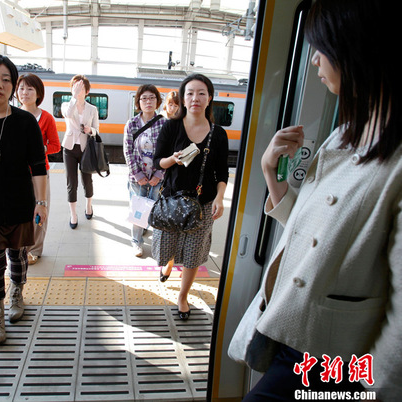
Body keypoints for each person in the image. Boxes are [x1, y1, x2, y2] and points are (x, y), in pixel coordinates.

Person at [231, 1, 401, 400]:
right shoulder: (345, 134)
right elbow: (315, 231)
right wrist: (270, 172)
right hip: (290, 332)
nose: (314, 62)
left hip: (337, 363)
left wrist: (370, 392)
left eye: (321, 48)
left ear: (356, 49)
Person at [0, 55, 47, 345]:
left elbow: (38, 165)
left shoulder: (25, 121)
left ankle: (17, 293)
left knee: (17, 256)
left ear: (13, 86)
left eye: (5, 79)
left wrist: (41, 204)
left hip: (19, 204)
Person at [152, 73, 228, 320]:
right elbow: (158, 162)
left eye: (201, 93)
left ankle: (183, 296)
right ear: (183, 99)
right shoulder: (171, 126)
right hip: (172, 200)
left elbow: (222, 171)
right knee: (167, 246)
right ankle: (170, 262)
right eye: (190, 93)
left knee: (194, 253)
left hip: (202, 203)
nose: (195, 98)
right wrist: (173, 158)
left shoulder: (218, 134)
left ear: (209, 99)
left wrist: (220, 197)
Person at [16, 73, 61, 265]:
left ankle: (34, 249)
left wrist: (39, 148)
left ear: (38, 93)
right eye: (21, 88)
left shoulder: (46, 118)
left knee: (40, 210)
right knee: (19, 212)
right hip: (16, 174)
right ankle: (18, 249)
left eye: (29, 89)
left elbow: (56, 146)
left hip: (39, 174)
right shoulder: (11, 114)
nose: (24, 93)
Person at [123, 84, 166, 257]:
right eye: (144, 98)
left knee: (155, 210)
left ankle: (155, 242)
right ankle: (136, 241)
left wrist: (159, 174)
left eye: (152, 98)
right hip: (137, 178)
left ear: (157, 101)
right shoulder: (132, 123)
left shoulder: (163, 123)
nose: (148, 101)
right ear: (138, 102)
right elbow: (127, 150)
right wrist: (138, 175)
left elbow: (168, 151)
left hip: (157, 177)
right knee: (138, 209)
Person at [61, 75, 100, 229]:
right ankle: (73, 214)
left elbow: (97, 131)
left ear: (87, 91)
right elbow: (68, 114)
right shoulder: (66, 104)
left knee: (87, 180)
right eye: (75, 87)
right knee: (71, 182)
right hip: (69, 148)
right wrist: (73, 97)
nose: (78, 90)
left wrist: (91, 130)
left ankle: (89, 206)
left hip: (86, 149)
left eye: (81, 88)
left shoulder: (93, 109)